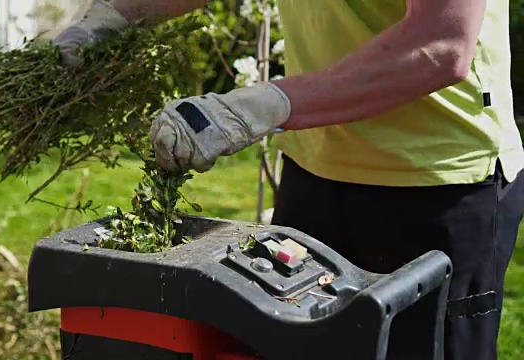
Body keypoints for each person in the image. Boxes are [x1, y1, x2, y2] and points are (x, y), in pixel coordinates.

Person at [51, 1, 524, 359]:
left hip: (437, 185)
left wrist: (264, 105)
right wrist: (112, 16)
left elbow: (442, 45)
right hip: (315, 169)